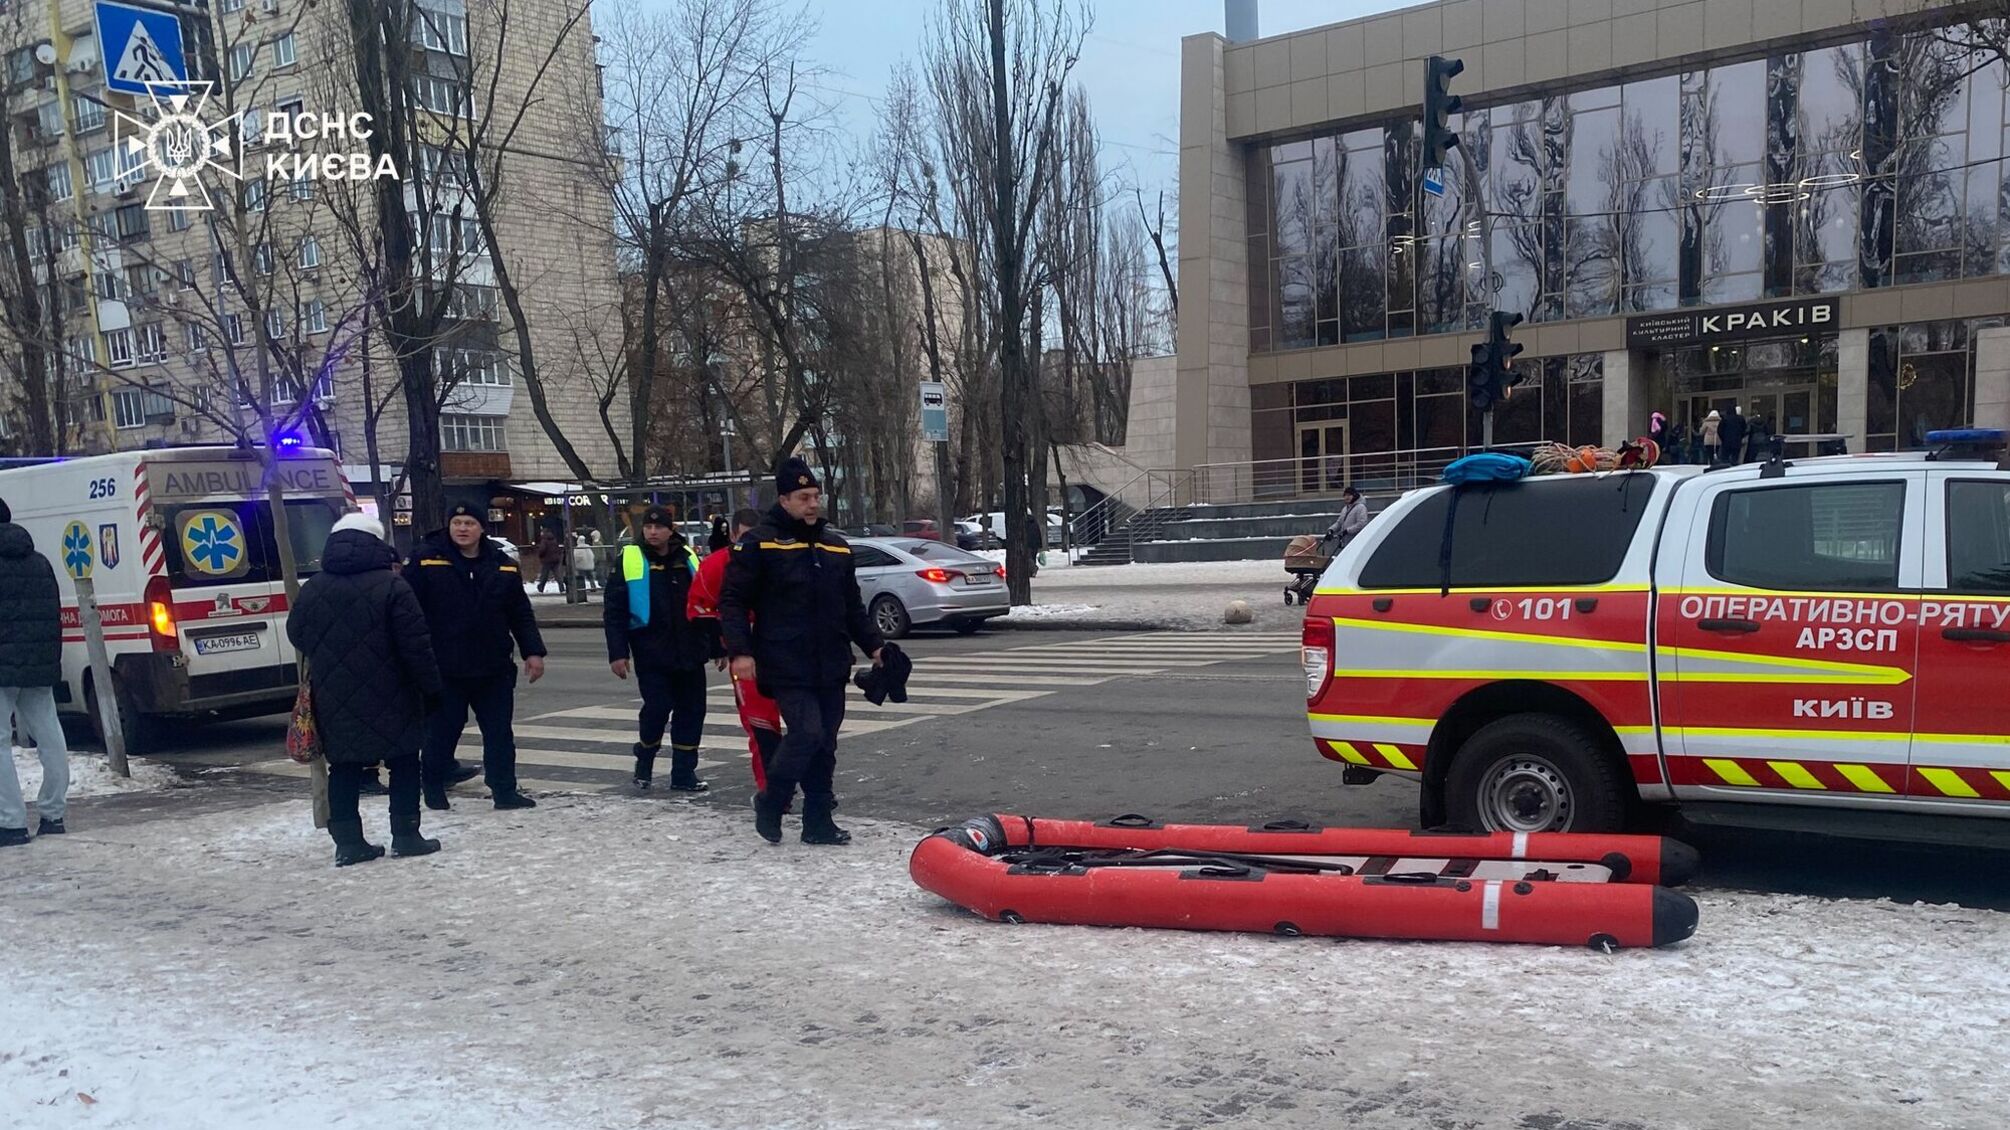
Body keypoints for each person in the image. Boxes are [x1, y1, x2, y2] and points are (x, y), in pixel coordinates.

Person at [719, 458, 884, 846]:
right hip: (783, 660)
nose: (812, 504)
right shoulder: (760, 542)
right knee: (806, 733)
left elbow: (852, 606)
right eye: (803, 497)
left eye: (816, 496)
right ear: (784, 499)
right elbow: (732, 601)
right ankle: (772, 800)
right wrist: (741, 652)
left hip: (830, 660)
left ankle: (818, 821)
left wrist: (875, 645)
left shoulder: (835, 545)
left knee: (825, 741)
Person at [287, 514, 445, 866]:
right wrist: (432, 689)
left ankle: (348, 843)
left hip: (334, 694)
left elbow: (296, 634)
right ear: (376, 542)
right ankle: (406, 835)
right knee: (403, 763)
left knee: (343, 768)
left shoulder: (314, 587)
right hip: (395, 692)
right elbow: (416, 646)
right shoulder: (392, 586)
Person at [406, 503, 547, 812]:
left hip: (492, 666)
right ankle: (432, 785)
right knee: (442, 731)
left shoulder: (502, 564)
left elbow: (520, 613)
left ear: (482, 528)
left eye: (469, 522)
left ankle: (504, 790)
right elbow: (408, 610)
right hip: (445, 667)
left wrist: (533, 651)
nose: (462, 528)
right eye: (457, 522)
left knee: (499, 733)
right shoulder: (427, 558)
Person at [604, 506, 714, 791]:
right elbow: (614, 611)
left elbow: (707, 604)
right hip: (652, 651)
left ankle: (684, 774)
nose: (652, 532)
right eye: (648, 527)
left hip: (690, 650)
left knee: (692, 712)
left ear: (671, 529)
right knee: (658, 708)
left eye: (659, 527)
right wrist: (618, 653)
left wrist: (719, 646)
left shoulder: (688, 557)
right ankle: (645, 755)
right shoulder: (629, 558)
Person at [687, 508, 785, 808]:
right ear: (733, 536)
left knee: (810, 724)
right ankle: (773, 792)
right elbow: (697, 608)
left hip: (788, 650)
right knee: (762, 726)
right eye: (745, 538)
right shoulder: (718, 565)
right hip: (747, 655)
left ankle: (817, 787)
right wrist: (724, 643)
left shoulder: (782, 557)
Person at [0, 497, 68, 847]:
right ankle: (54, 815)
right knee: (50, 735)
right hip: (39, 664)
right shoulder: (39, 563)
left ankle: (10, 823)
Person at [533, 527, 564, 592]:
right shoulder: (554, 540)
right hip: (555, 560)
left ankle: (541, 588)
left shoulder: (544, 541)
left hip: (547, 560)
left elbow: (542, 550)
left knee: (544, 575)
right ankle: (561, 587)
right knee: (557, 574)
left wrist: (540, 555)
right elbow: (558, 549)